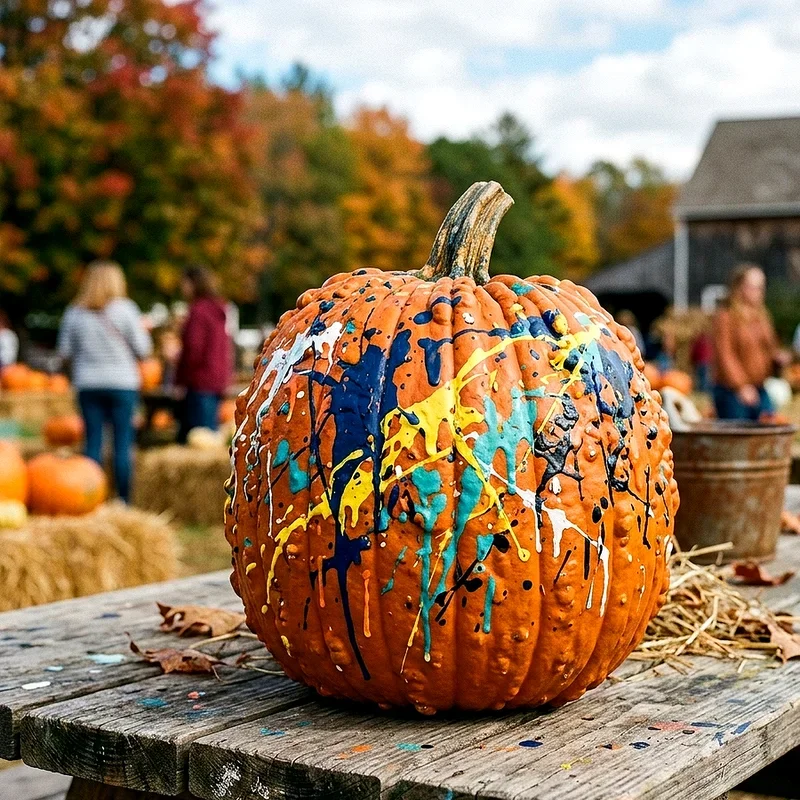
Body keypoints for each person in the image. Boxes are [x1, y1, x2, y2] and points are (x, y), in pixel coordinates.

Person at [57, 261, 152, 501]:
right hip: (122, 383)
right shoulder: (126, 310)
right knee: (122, 443)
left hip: (88, 383)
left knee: (93, 444)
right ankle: (123, 499)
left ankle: (91, 498)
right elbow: (143, 349)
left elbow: (64, 352)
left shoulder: (74, 312)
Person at [712, 263, 788, 420]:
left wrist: (777, 359)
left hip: (759, 387)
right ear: (739, 287)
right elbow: (725, 355)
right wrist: (741, 386)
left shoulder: (762, 316)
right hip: (733, 391)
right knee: (739, 438)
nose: (758, 292)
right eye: (753, 287)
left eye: (761, 287)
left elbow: (768, 349)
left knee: (770, 428)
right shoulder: (726, 317)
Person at [175, 266, 233, 442]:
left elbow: (194, 349)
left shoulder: (198, 312)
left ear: (193, 284)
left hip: (199, 380)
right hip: (216, 377)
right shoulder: (217, 310)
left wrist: (180, 379)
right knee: (211, 436)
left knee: (199, 437)